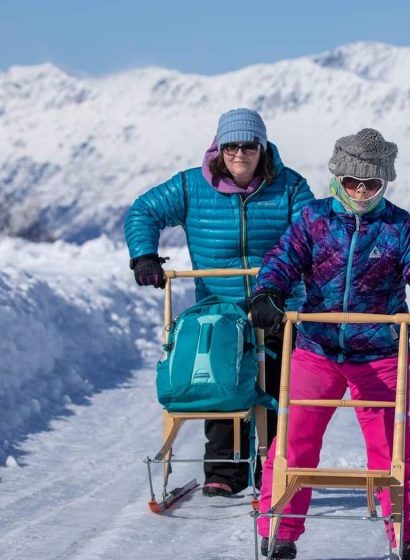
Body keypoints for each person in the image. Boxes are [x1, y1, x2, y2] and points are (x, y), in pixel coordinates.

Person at [248, 128, 410, 560]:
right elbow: (283, 261)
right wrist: (268, 294)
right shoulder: (313, 220)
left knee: (391, 445)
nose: (361, 192)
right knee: (293, 439)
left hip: (378, 352)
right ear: (337, 178)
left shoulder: (397, 226)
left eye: (371, 184)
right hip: (317, 348)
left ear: (384, 184)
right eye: (353, 183)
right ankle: (277, 527)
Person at [124, 108, 314, 497]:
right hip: (220, 307)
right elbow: (143, 210)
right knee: (221, 383)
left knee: (279, 389)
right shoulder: (191, 186)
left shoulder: (290, 186)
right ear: (218, 148)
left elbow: (309, 233)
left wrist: (287, 285)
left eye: (248, 146)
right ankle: (225, 471)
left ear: (263, 148)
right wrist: (144, 255)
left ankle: (273, 469)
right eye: (231, 146)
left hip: (276, 303)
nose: (239, 154)